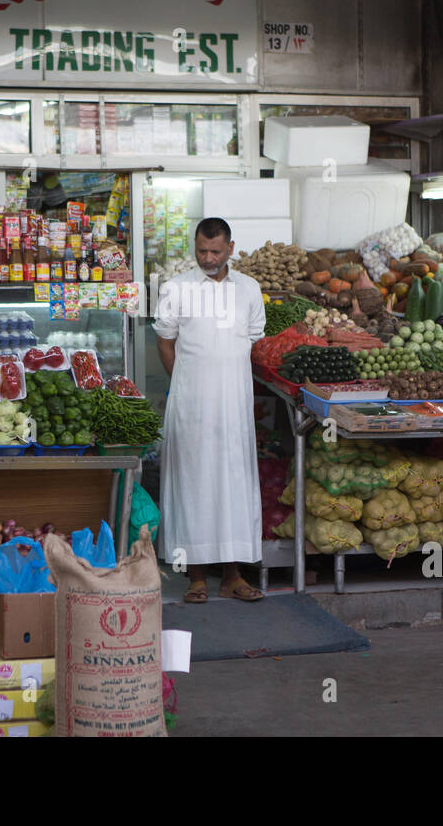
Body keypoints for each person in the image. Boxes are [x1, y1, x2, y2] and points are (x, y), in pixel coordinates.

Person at [154, 218, 266, 603]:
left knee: (233, 485)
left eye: (216, 251)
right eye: (201, 250)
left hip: (234, 404)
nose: (208, 258)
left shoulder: (249, 290)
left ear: (230, 249)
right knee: (193, 485)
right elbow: (165, 342)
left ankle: (233, 575)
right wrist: (187, 382)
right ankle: (196, 577)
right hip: (191, 405)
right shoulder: (176, 289)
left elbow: (254, 346)